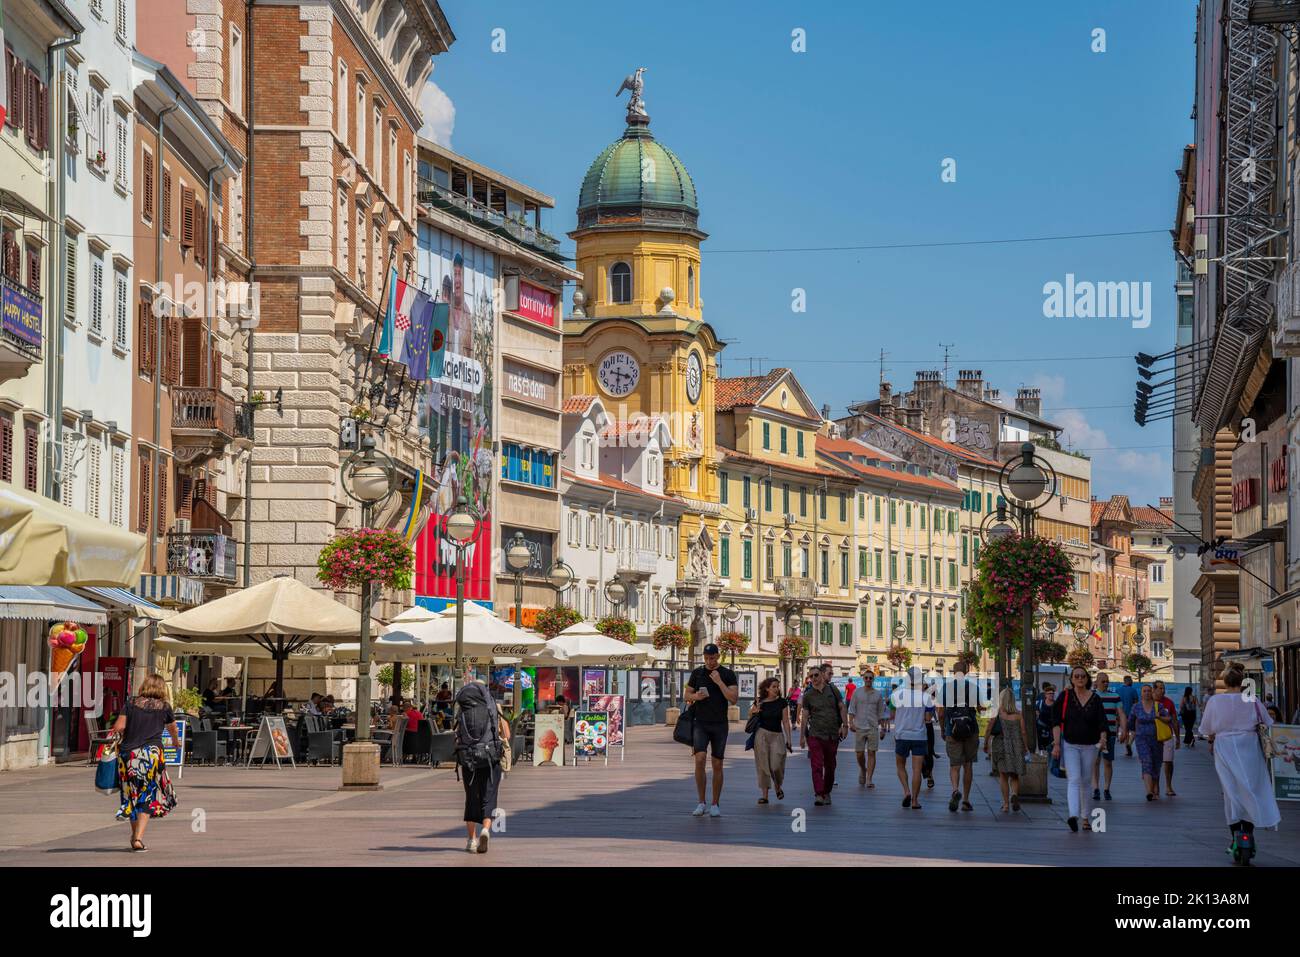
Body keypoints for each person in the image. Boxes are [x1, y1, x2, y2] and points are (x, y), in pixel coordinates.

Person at [1200, 662, 1282, 864]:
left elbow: (1206, 728)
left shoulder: (1215, 701)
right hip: (1250, 747)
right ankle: (1249, 831)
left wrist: (1211, 739)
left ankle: (1235, 834)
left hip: (1225, 747)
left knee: (1231, 791)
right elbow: (1269, 723)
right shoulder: (1252, 700)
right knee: (1252, 788)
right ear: (1243, 681)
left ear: (1225, 681)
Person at [109, 673, 180, 852]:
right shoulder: (164, 707)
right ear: (162, 689)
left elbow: (118, 727)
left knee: (130, 796)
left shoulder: (131, 703)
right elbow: (173, 729)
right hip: (152, 756)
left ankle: (135, 837)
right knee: (147, 795)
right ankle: (138, 838)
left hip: (129, 756)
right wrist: (176, 743)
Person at [454, 672, 510, 854]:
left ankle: (471, 839)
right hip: (490, 756)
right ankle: (486, 830)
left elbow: (457, 732)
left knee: (471, 798)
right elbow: (507, 735)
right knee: (489, 796)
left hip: (469, 757)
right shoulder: (494, 705)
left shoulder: (464, 708)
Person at [1050, 665, 1108, 832]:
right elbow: (1055, 721)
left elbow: (1102, 722)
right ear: (1072, 679)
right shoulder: (1065, 696)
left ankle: (1085, 818)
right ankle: (1073, 815)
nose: (1080, 679)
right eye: (1077, 676)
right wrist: (1056, 744)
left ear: (1087, 678)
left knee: (1085, 781)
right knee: (1074, 779)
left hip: (1090, 745)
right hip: (1070, 744)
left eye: (1083, 676)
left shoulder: (1095, 699)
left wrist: (1103, 738)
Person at [685, 643, 739, 817]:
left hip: (720, 724)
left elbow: (733, 699)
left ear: (718, 656)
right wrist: (695, 696)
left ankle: (715, 803)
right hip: (700, 722)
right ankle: (701, 802)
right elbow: (686, 695)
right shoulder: (697, 673)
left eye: (712, 658)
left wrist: (719, 682)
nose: (709, 661)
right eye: (706, 658)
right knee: (699, 759)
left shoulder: (727, 674)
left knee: (717, 763)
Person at [798, 664, 848, 806]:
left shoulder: (832, 690)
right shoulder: (808, 695)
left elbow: (842, 707)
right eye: (811, 676)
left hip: (832, 734)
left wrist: (845, 725)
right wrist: (802, 736)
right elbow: (805, 716)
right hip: (815, 735)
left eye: (816, 675)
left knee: (831, 766)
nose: (813, 678)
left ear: (821, 675)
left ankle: (827, 792)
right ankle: (819, 794)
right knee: (816, 765)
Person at [937, 662, 981, 813]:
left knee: (954, 765)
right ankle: (966, 800)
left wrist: (943, 729)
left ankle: (955, 790)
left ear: (953, 672)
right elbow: (981, 708)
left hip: (952, 729)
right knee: (968, 765)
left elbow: (941, 712)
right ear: (967, 671)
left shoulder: (946, 687)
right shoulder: (973, 687)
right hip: (970, 730)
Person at [892, 667, 934, 809]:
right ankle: (915, 801)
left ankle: (906, 791)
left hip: (902, 735)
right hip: (919, 736)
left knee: (900, 766)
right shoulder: (926, 696)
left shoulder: (897, 694)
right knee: (917, 770)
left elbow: (892, 714)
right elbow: (928, 719)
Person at [749, 677, 792, 804]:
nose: (776, 689)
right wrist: (755, 711)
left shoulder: (782, 702)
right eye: (774, 686)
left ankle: (778, 786)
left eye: (777, 686)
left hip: (777, 736)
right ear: (767, 688)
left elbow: (785, 721)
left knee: (776, 765)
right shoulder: (760, 701)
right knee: (763, 765)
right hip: (761, 735)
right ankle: (765, 795)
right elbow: (751, 716)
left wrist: (788, 738)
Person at [984, 686, 1026, 812]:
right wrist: (1026, 746)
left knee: (1003, 775)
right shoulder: (1019, 715)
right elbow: (1023, 732)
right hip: (1016, 746)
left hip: (1000, 745)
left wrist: (986, 743)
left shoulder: (997, 712)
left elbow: (989, 729)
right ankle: (1014, 794)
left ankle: (1006, 804)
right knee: (1014, 775)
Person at [1091, 672, 1127, 801]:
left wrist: (1124, 730)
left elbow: (1121, 714)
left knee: (1108, 762)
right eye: (1103, 681)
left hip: (1110, 734)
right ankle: (1095, 788)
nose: (1106, 684)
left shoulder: (1115, 696)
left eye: (1107, 681)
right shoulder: (1092, 696)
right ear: (1097, 682)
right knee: (1095, 762)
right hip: (1094, 735)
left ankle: (1106, 789)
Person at [849, 669, 887, 787]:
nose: (868, 680)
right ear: (863, 679)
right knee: (859, 753)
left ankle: (869, 779)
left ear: (873, 679)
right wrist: (851, 723)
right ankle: (863, 769)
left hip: (873, 727)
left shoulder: (878, 694)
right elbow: (852, 709)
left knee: (872, 753)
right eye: (866, 678)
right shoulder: (857, 692)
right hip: (859, 727)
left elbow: (881, 713)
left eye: (870, 678)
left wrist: (883, 729)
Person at [1127, 684, 1162, 801]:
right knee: (1147, 761)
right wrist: (1131, 732)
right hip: (1141, 739)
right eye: (1144, 691)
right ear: (1141, 693)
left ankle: (1156, 788)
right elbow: (1130, 721)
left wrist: (1160, 717)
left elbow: (1169, 719)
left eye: (1148, 691)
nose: (1146, 693)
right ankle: (1149, 791)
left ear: (1151, 692)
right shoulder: (1136, 707)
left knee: (1156, 764)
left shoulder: (1158, 706)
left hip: (1157, 739)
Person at [1152, 679, 1180, 796]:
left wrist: (1178, 737)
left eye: (1164, 688)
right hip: (1153, 737)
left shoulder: (1169, 703)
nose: (1163, 690)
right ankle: (1156, 786)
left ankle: (1168, 786)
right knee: (1155, 763)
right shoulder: (1148, 702)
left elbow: (1174, 720)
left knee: (1168, 762)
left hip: (1167, 736)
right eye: (1160, 688)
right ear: (1154, 689)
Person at [1116, 676, 1140, 756]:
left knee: (1125, 731)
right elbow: (1136, 703)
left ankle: (1127, 750)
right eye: (1131, 680)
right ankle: (1129, 744)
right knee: (1134, 731)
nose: (1132, 682)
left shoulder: (1118, 690)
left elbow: (1116, 703)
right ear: (1129, 681)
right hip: (1131, 714)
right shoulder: (1133, 690)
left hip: (1121, 714)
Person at [1036, 687, 1057, 752]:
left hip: (1052, 728)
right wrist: (1037, 714)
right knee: (1041, 744)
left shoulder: (1056, 703)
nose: (1051, 695)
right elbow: (1036, 710)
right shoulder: (1041, 703)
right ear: (1045, 695)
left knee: (1051, 744)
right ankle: (1042, 753)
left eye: (1053, 693)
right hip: (1041, 727)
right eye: (1049, 693)